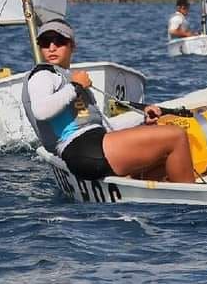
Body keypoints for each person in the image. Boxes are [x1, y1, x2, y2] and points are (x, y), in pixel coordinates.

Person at [22, 18, 195, 182]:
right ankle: (192, 205)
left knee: (162, 159)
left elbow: (101, 125)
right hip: (83, 149)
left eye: (59, 41)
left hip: (93, 147)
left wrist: (142, 117)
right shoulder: (43, 75)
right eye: (45, 43)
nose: (52, 48)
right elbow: (41, 111)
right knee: (176, 136)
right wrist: (75, 87)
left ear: (72, 45)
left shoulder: (64, 77)